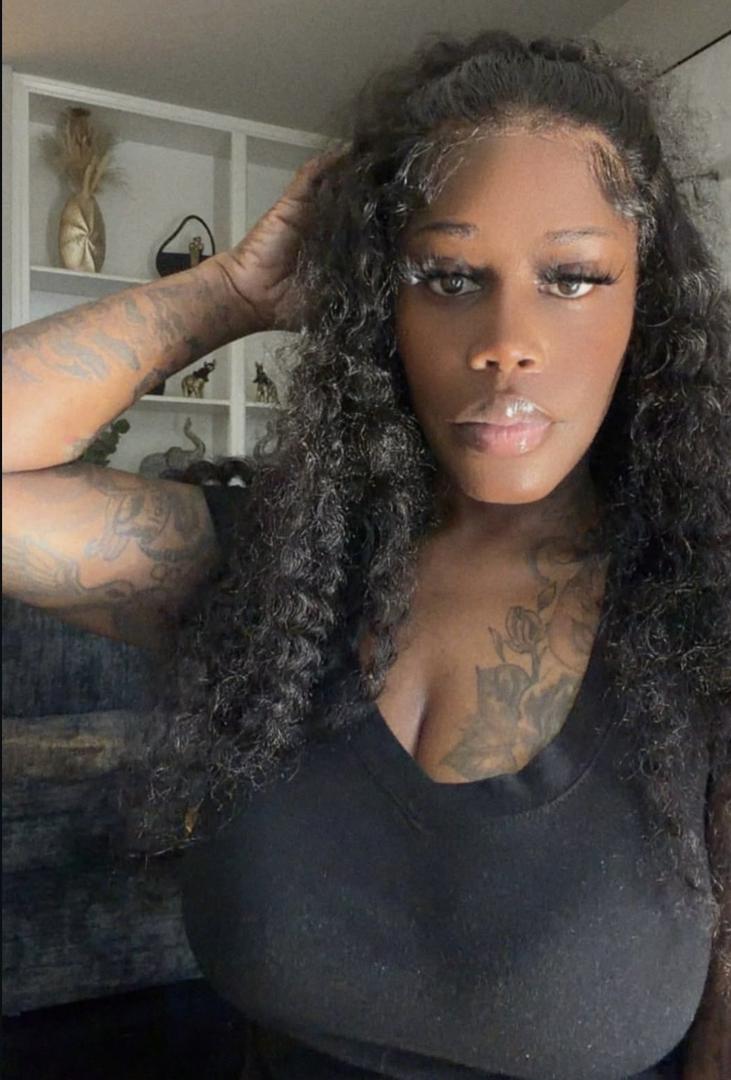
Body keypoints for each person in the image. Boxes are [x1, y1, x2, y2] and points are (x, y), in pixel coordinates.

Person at [3, 29, 729, 1080]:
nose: (506, 341)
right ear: (380, 302)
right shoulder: (265, 570)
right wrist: (230, 293)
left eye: (572, 278)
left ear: (644, 301)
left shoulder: (705, 616)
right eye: (446, 275)